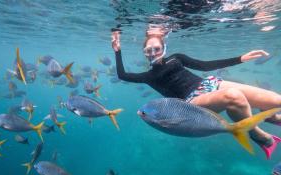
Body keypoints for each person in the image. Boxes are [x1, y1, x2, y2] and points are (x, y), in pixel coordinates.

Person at [111, 27, 281, 159]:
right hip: (191, 102)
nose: (153, 53)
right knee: (234, 96)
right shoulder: (147, 76)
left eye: (156, 49)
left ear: (163, 48)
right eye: (148, 51)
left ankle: (271, 116)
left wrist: (240, 59)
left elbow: (204, 66)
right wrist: (117, 50)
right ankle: (260, 136)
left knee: (276, 100)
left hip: (210, 84)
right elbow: (122, 75)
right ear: (144, 53)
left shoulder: (176, 57)